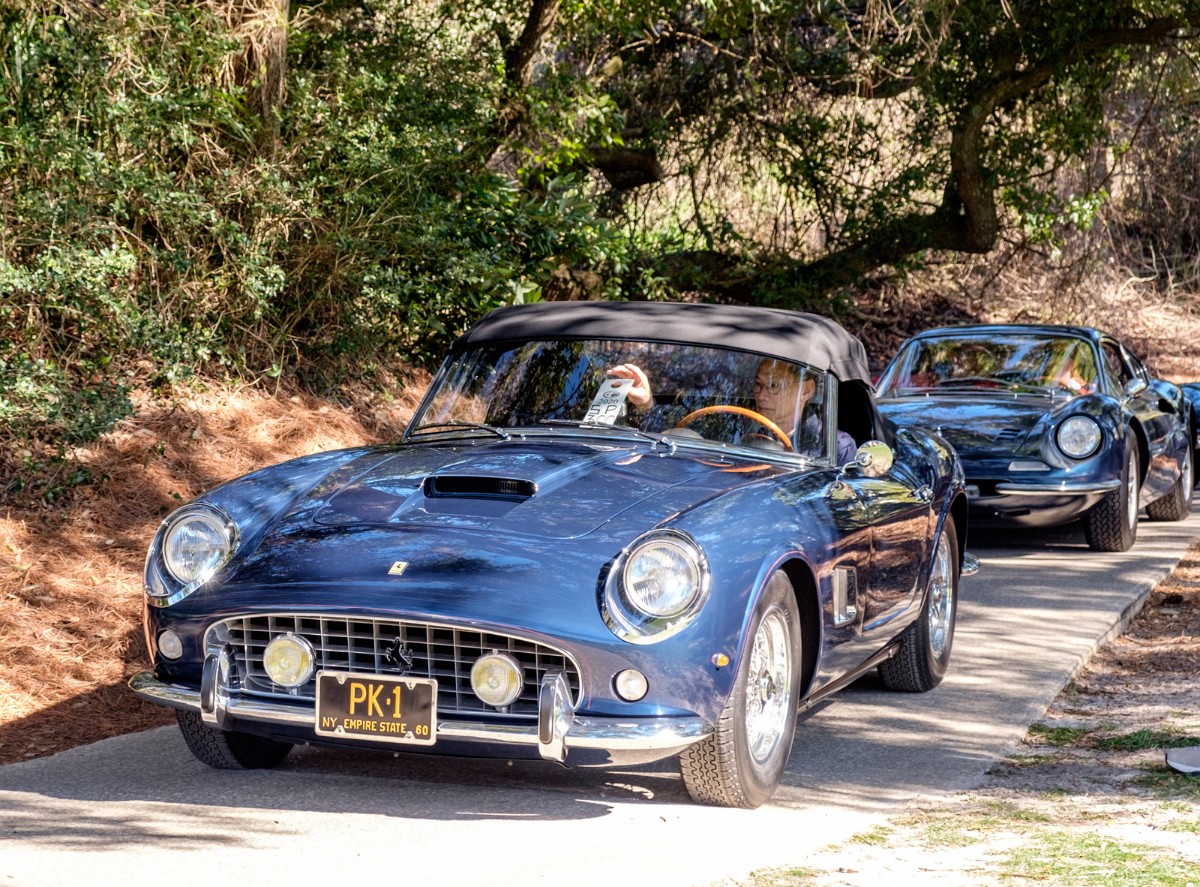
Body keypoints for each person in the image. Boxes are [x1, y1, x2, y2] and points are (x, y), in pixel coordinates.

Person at [607, 359, 857, 463]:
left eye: (773, 386)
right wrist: (647, 404)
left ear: (807, 390)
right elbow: (678, 440)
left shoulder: (832, 446)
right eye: (758, 385)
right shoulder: (730, 426)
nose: (761, 395)